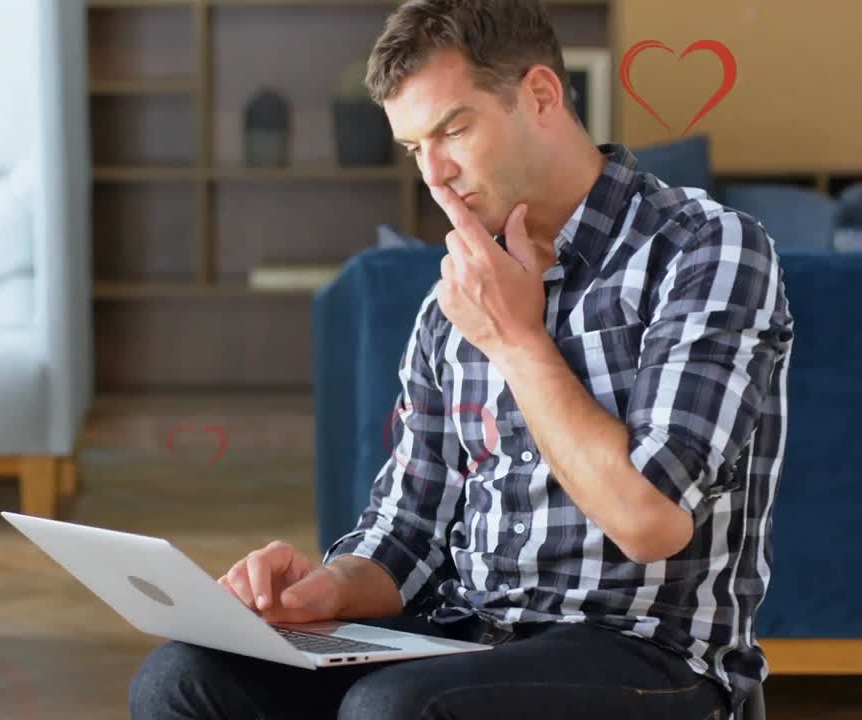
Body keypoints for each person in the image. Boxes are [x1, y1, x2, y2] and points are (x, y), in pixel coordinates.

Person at [128, 0, 793, 717]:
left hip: (649, 654)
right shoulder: (451, 300)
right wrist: (326, 586)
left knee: (395, 709)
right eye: (415, 149)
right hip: (468, 636)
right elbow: (409, 527)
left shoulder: (705, 251)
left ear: (540, 95)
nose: (436, 175)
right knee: (184, 678)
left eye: (453, 129)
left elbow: (650, 522)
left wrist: (517, 339)